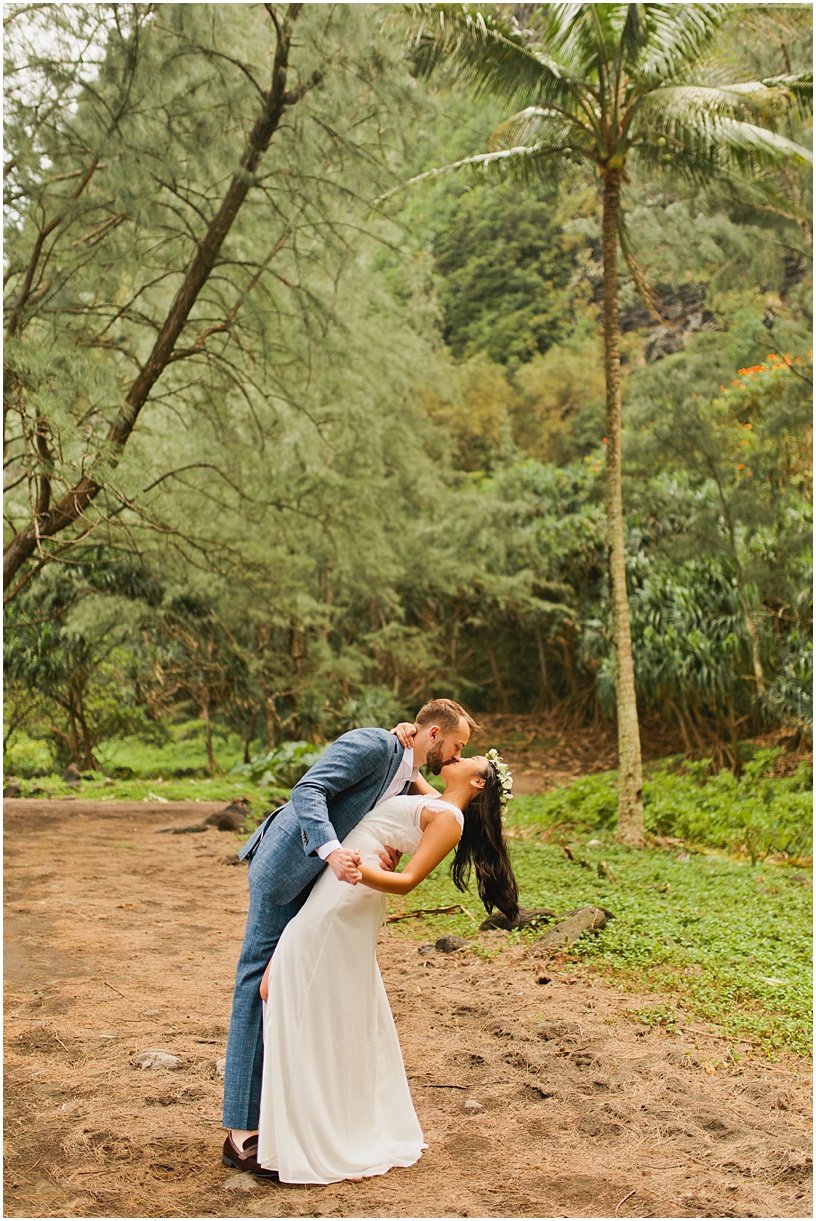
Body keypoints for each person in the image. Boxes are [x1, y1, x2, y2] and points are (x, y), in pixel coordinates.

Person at [222, 698, 477, 1176]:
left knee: (290, 986)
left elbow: (397, 817)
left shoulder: (406, 768)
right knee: (256, 983)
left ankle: (285, 1117)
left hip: (325, 884)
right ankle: (240, 1134)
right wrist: (333, 851)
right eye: (458, 744)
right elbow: (309, 790)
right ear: (435, 735)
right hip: (289, 867)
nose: (459, 754)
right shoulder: (372, 743)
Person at [254, 749, 518, 1184]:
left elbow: (408, 881)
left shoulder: (452, 820)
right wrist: (403, 735)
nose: (460, 754)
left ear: (478, 784)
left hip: (348, 893)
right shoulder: (437, 799)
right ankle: (308, 1121)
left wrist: (359, 870)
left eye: (470, 758)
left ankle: (316, 1126)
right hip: (339, 887)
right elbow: (412, 762)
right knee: (285, 986)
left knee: (280, 985)